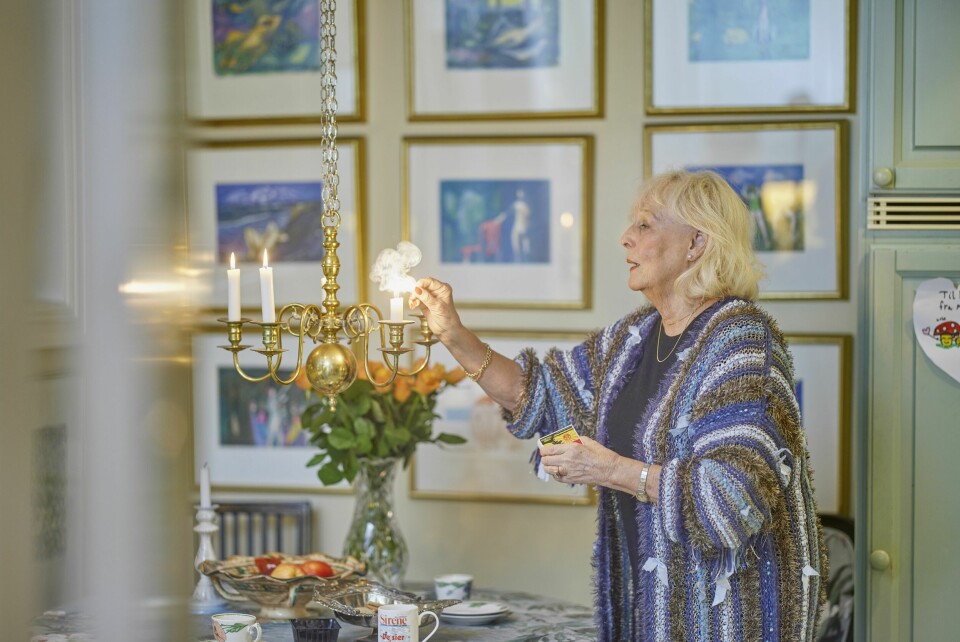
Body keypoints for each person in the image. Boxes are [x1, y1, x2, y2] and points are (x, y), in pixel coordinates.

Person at [410, 169, 826, 641]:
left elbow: (730, 501)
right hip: (646, 615)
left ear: (697, 243)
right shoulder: (632, 338)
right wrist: (451, 333)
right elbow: (536, 393)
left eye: (644, 225)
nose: (625, 238)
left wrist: (609, 470)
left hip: (730, 623)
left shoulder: (740, 343)